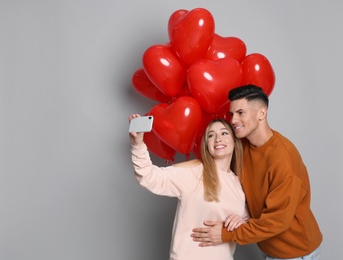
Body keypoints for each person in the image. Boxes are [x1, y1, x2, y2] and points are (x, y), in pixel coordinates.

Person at [191, 85, 323, 259]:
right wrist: (242, 216)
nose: (233, 120)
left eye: (240, 113)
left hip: (297, 253)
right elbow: (224, 176)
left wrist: (225, 235)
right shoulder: (241, 146)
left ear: (262, 113)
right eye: (232, 114)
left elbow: (276, 221)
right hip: (268, 249)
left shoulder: (284, 158)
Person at [129, 114, 250, 260]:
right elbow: (148, 177)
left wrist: (242, 221)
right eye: (211, 135)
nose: (218, 139)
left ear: (234, 141)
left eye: (224, 133)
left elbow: (248, 221)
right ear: (206, 145)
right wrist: (138, 144)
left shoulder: (238, 183)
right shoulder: (194, 173)